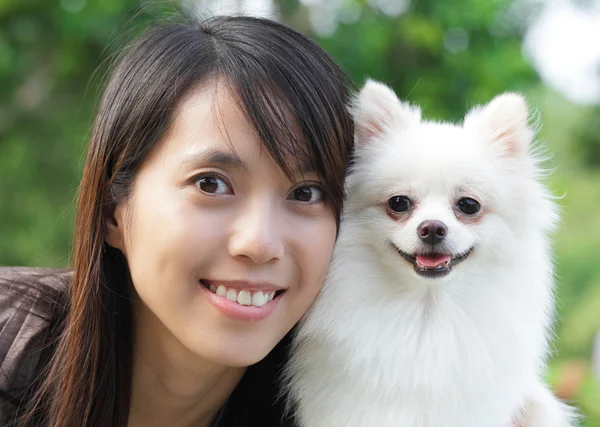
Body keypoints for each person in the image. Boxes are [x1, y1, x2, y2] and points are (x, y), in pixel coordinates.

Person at [0, 15, 353, 427]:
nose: (259, 242)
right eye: (210, 184)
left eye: (306, 193)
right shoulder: (10, 343)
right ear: (112, 211)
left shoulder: (351, 409)